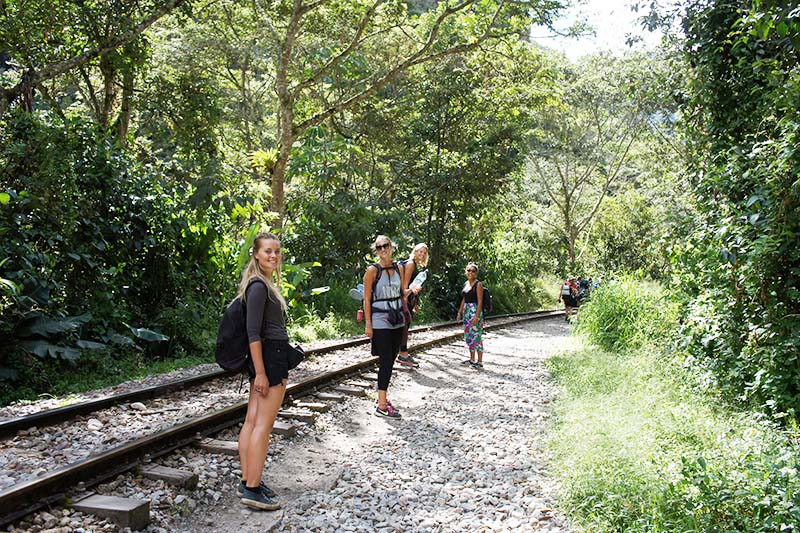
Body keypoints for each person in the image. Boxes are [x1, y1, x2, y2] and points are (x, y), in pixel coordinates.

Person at [236, 232, 290, 511]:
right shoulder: (259, 287)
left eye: (277, 251)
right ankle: (253, 489)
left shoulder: (259, 283)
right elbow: (253, 333)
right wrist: (261, 373)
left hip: (267, 356)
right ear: (256, 254)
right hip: (269, 357)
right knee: (262, 425)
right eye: (268, 251)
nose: (273, 256)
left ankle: (248, 480)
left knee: (252, 421)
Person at [364, 235, 407, 418]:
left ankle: (382, 398)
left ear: (391, 247)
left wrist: (412, 290)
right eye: (379, 247)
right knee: (386, 360)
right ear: (376, 250)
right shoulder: (372, 271)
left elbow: (402, 292)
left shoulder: (399, 268)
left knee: (391, 359)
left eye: (385, 246)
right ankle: (382, 404)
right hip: (380, 319)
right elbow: (366, 299)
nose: (382, 250)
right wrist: (368, 324)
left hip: (397, 318)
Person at [396, 243, 429, 368]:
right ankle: (402, 354)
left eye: (424, 253)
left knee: (405, 326)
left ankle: (401, 352)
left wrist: (414, 301)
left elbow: (411, 285)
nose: (422, 254)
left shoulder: (415, 265)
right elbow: (405, 287)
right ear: (415, 251)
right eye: (420, 251)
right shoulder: (410, 264)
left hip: (409, 300)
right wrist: (405, 301)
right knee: (404, 326)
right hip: (404, 299)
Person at [456, 262, 485, 368]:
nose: (470, 272)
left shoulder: (478, 284)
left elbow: (480, 301)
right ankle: (472, 359)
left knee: (476, 335)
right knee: (468, 335)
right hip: (466, 311)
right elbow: (464, 298)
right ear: (466, 272)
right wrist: (459, 312)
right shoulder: (466, 284)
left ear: (476, 273)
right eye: (468, 270)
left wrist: (477, 316)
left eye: (473, 271)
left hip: (474, 311)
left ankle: (480, 361)